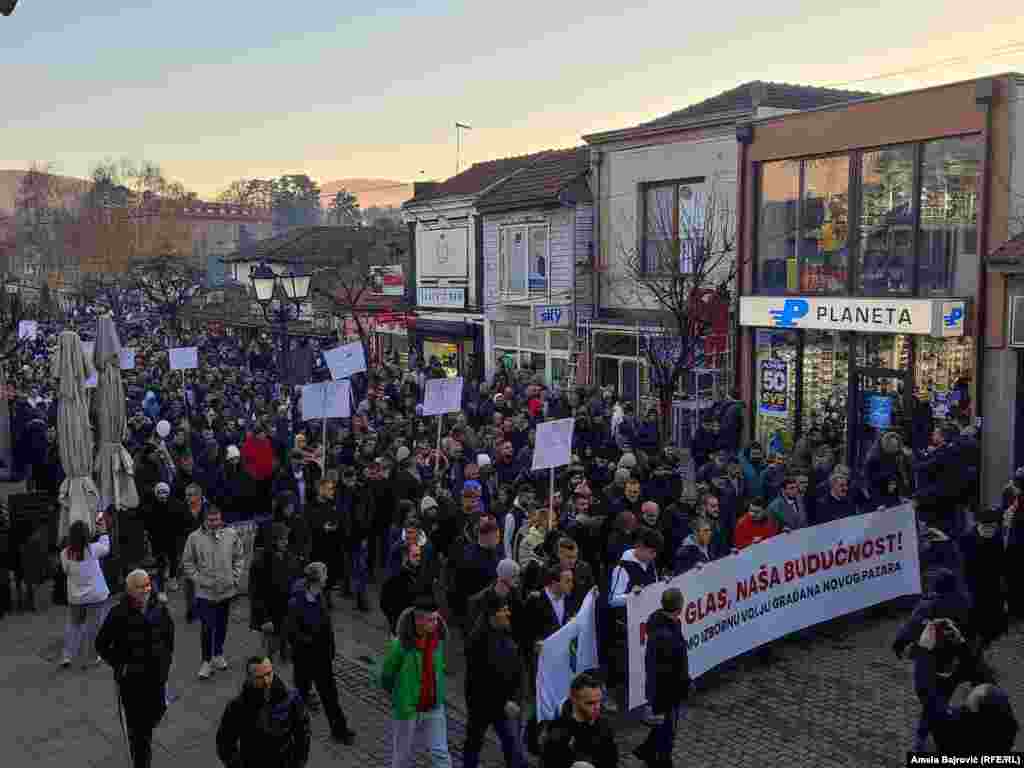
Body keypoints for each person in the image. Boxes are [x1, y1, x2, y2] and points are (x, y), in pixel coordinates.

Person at [96, 569, 175, 768]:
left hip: (157, 677)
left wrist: (166, 660)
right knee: (140, 734)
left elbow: (169, 636)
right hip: (132, 681)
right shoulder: (118, 613)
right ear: (130, 589)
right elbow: (101, 644)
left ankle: (142, 736)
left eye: (148, 584)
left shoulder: (159, 608)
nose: (147, 589)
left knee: (155, 714)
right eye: (141, 586)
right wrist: (120, 665)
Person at [914, 619, 1018, 754]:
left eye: (971, 693)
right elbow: (980, 675)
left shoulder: (952, 727)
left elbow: (927, 693)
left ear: (973, 709)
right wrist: (961, 643)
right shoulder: (1002, 720)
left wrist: (924, 651)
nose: (971, 688)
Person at [285, 562, 356, 744]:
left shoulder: (321, 597)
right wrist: (311, 641)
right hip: (304, 659)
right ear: (316, 579)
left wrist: (330, 649)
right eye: (325, 574)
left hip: (322, 658)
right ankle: (292, 731)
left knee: (330, 696)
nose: (327, 578)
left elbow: (327, 628)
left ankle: (339, 730)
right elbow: (292, 633)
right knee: (300, 696)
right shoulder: (296, 603)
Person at [378, 595, 451, 768]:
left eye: (436, 618)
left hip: (434, 706)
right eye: (431, 620)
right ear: (418, 620)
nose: (436, 623)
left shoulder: (437, 641)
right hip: (408, 708)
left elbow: (439, 668)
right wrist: (399, 696)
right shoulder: (400, 645)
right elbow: (387, 675)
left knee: (440, 753)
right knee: (402, 755)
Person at [463, 594, 527, 768]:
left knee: (512, 746)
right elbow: (479, 681)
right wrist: (503, 703)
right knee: (474, 744)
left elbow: (515, 667)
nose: (508, 614)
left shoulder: (506, 632)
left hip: (505, 704)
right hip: (483, 705)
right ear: (492, 614)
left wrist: (515, 696)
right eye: (503, 610)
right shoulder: (476, 640)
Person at [181, 504, 244, 680]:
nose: (214, 523)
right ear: (205, 520)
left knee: (222, 623)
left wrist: (235, 577)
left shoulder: (231, 535)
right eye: (210, 520)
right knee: (207, 626)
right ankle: (206, 661)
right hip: (205, 593)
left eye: (217, 519)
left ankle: (218, 654)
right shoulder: (194, 538)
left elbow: (239, 557)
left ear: (221, 518)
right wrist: (199, 580)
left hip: (226, 590)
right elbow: (187, 562)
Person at [216, 655, 312, 768]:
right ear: (249, 678)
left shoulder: (290, 698)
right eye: (260, 677)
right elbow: (224, 742)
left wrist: (298, 762)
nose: (266, 681)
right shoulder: (237, 706)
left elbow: (303, 731)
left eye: (269, 674)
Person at [633, 588, 689, 768]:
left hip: (658, 689)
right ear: (679, 607)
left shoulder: (658, 622)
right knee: (667, 732)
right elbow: (673, 669)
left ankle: (647, 751)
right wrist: (684, 684)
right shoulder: (668, 636)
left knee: (662, 727)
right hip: (666, 692)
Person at [60, 518, 111, 669]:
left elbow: (65, 571)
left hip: (76, 597)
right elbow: (106, 547)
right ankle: (92, 657)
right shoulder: (93, 549)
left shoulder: (64, 554)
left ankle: (67, 656)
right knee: (94, 628)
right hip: (95, 596)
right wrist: (103, 531)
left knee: (74, 626)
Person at [541, 672, 618, 768]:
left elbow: (612, 762)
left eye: (599, 701)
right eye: (590, 703)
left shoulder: (604, 726)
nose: (597, 707)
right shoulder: (558, 731)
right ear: (574, 700)